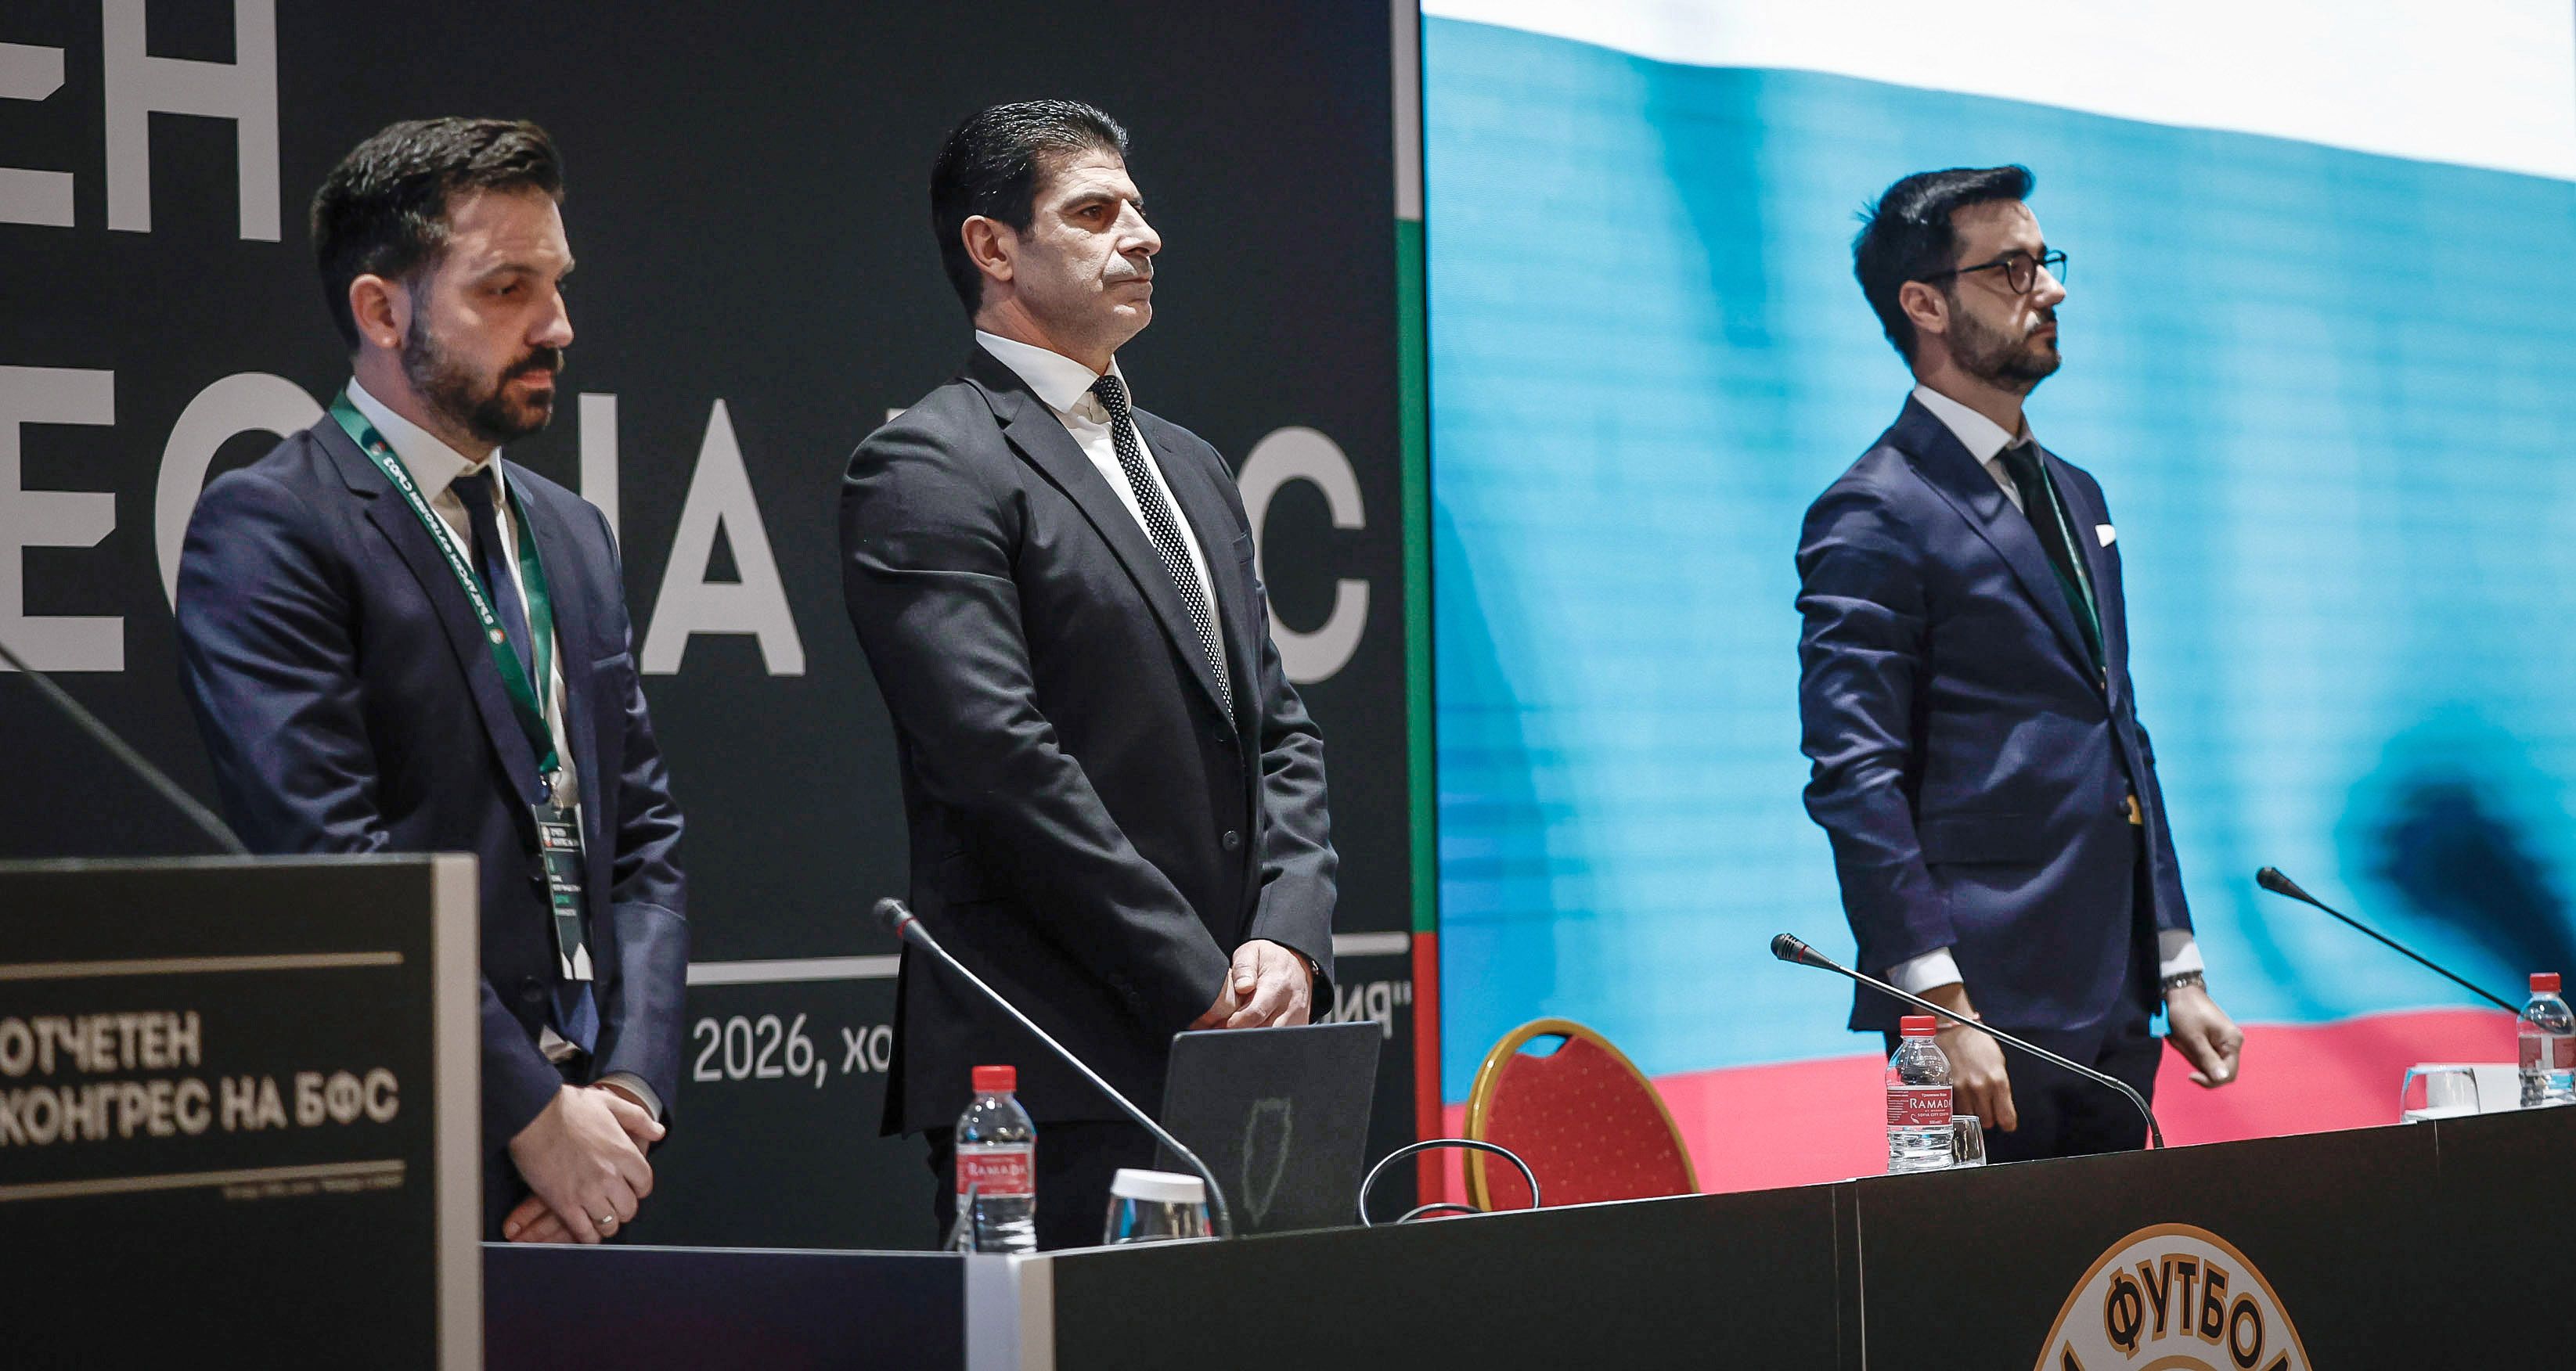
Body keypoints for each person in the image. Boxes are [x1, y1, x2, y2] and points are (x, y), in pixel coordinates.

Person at [175, 118, 686, 1241]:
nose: (557, 325)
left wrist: (626, 1093)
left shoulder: (573, 532)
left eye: (556, 283)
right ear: (382, 311)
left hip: (602, 1147)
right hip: (404, 1148)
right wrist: (530, 1113)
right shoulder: (273, 525)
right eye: (506, 289)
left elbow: (642, 835)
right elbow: (332, 867)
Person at [839, 99, 1336, 1248]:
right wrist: (1196, 977)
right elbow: (1000, 767)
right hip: (1056, 1073)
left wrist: (1289, 937)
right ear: (993, 247)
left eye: (1139, 208)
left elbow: (1279, 730)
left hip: (1251, 1048)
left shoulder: (1192, 466)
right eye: (1096, 212)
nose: (1144, 235)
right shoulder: (928, 463)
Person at [1796, 166, 2243, 1162]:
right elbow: (1853, 773)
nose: (2051, 289)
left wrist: (2176, 964)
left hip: (2114, 994)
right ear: (1925, 305)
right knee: (1975, 1266)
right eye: (2011, 268)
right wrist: (1937, 1004)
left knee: (2115, 1261)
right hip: (1976, 1009)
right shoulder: (1873, 508)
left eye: (2045, 261)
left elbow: (2120, 734)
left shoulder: (2080, 494)